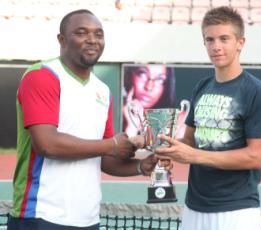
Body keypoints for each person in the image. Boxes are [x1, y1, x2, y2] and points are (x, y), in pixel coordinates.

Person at [8, 9, 167, 230]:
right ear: (62, 40)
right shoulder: (42, 76)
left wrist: (141, 166)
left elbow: (103, 157)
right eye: (81, 33)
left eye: (98, 34)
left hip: (88, 220)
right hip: (40, 216)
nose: (92, 40)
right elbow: (47, 144)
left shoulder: (103, 90)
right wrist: (111, 145)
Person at [155, 6, 261, 230]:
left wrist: (194, 155)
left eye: (224, 39)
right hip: (194, 208)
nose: (216, 46)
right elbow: (189, 142)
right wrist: (162, 146)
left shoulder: (259, 92)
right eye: (209, 40)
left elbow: (254, 157)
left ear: (240, 42)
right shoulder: (202, 87)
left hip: (236, 211)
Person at [122, 64, 176, 136]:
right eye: (142, 74)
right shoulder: (114, 111)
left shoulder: (176, 122)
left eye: (159, 80)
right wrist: (132, 127)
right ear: (130, 76)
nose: (149, 87)